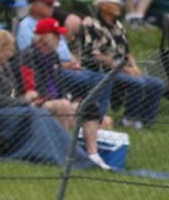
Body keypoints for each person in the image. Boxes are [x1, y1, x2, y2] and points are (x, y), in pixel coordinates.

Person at [0, 29, 88, 166]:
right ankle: (39, 152)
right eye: (8, 50)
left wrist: (28, 98)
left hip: (6, 107)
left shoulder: (4, 66)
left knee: (38, 111)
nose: (11, 54)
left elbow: (12, 91)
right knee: (33, 113)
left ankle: (57, 150)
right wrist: (23, 101)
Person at [20, 18, 109, 168]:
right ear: (44, 37)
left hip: (57, 100)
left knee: (89, 106)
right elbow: (30, 88)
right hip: (36, 102)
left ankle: (93, 155)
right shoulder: (29, 55)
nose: (59, 39)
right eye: (56, 35)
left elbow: (60, 87)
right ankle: (63, 152)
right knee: (63, 105)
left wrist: (72, 99)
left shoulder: (53, 56)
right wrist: (62, 100)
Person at [74, 0, 165, 129]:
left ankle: (145, 121)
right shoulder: (91, 25)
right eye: (115, 3)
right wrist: (122, 68)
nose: (119, 6)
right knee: (137, 84)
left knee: (157, 83)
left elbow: (127, 52)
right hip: (103, 72)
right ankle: (129, 119)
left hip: (123, 69)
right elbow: (94, 54)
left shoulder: (118, 26)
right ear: (103, 5)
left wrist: (134, 67)